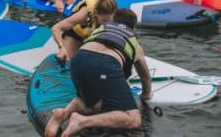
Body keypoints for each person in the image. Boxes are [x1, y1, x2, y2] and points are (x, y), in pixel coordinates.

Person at [44, 9, 152, 137]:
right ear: (133, 28)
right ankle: (81, 121)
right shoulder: (136, 45)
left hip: (78, 59)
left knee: (89, 105)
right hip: (105, 63)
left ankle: (65, 112)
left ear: (113, 21)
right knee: (134, 119)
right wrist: (145, 95)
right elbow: (145, 77)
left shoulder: (102, 29)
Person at [51, 0, 118, 61]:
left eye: (110, 21)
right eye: (104, 20)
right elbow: (56, 28)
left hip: (93, 37)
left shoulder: (114, 15)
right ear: (96, 13)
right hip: (76, 35)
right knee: (67, 60)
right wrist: (62, 47)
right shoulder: (84, 14)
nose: (107, 24)